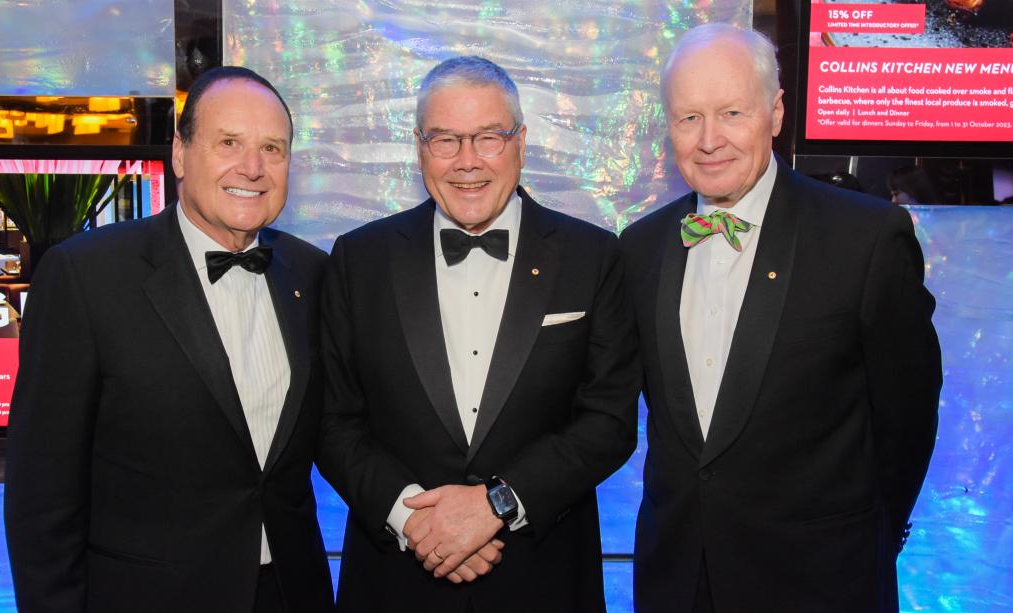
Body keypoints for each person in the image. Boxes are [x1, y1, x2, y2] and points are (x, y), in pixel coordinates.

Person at [621, 24, 942, 612]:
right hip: (678, 585)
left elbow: (907, 421)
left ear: (774, 113)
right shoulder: (639, 248)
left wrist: (867, 542)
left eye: (731, 112)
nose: (709, 139)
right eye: (688, 118)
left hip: (822, 584)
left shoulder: (865, 239)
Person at [4, 66, 334, 613]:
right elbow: (41, 494)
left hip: (290, 593)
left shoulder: (312, 273)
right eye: (229, 142)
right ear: (180, 154)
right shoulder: (85, 277)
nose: (251, 168)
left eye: (272, 149)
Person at [317, 56, 640, 612]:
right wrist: (416, 522)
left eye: (488, 137)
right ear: (419, 146)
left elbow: (608, 422)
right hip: (395, 581)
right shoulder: (358, 259)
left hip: (544, 583)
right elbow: (331, 420)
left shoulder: (594, 257)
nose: (467, 162)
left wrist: (496, 506)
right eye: (445, 140)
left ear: (520, 141)